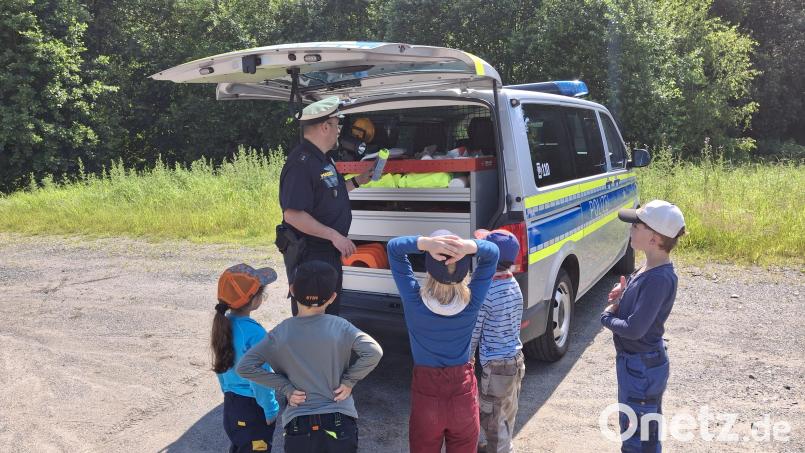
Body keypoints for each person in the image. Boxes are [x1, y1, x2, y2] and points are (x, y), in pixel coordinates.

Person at [237, 260, 383, 453]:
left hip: (300, 426)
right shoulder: (342, 326)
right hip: (340, 423)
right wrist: (349, 381)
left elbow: (245, 367)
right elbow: (374, 352)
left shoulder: (280, 333)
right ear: (332, 298)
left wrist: (285, 387)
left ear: (292, 290)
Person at [387, 230, 500, 453]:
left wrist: (426, 243)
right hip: (463, 396)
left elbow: (394, 248)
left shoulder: (414, 301)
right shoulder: (471, 302)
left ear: (429, 268)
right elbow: (493, 253)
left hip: (426, 398)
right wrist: (469, 246)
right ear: (465, 268)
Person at [601, 200, 686, 453]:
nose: (631, 229)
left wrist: (606, 317)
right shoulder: (650, 266)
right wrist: (625, 292)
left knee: (638, 438)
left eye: (636, 226)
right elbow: (642, 301)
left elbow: (635, 328)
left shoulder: (659, 278)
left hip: (640, 368)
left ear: (654, 238)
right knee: (640, 429)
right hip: (638, 365)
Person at [277, 96, 373, 316]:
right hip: (311, 255)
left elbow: (329, 195)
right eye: (337, 124)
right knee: (313, 319)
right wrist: (335, 236)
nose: (339, 130)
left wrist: (358, 181)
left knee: (329, 314)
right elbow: (292, 215)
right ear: (324, 127)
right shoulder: (301, 163)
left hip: (327, 253)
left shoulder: (323, 159)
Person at [211, 264, 281, 452]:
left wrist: (228, 392)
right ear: (254, 299)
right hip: (254, 410)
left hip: (232, 406)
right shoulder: (255, 333)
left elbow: (221, 367)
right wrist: (270, 408)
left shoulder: (223, 326)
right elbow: (260, 378)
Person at [469, 229, 526, 453]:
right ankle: (503, 445)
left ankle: (499, 449)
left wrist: (467, 358)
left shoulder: (487, 292)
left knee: (492, 419)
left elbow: (475, 331)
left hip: (494, 366)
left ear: (488, 258)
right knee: (507, 412)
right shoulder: (514, 284)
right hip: (515, 360)